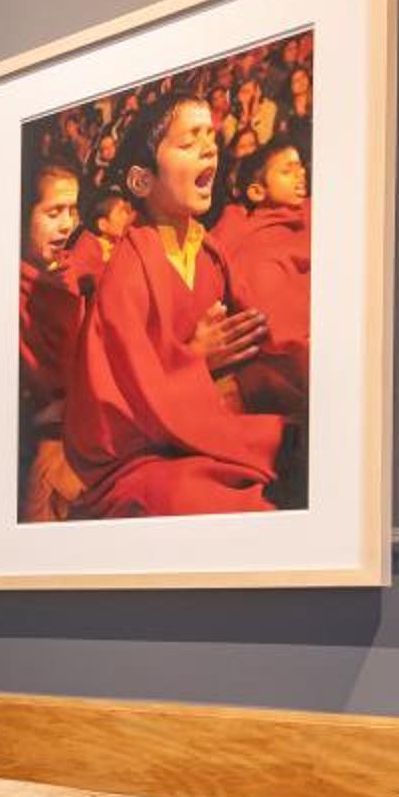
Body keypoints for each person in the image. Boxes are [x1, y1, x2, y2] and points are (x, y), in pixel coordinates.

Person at [62, 90, 280, 516]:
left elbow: (259, 341)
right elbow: (113, 399)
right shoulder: (129, 267)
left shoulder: (211, 253)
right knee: (193, 497)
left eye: (210, 138)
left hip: (207, 426)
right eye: (188, 142)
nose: (208, 149)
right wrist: (196, 360)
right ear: (142, 181)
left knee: (286, 439)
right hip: (140, 451)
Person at [209, 134, 310, 467]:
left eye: (301, 167)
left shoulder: (312, 215)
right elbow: (273, 321)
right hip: (278, 367)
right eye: (287, 170)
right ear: (256, 191)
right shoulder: (251, 238)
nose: (300, 175)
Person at [16, 160, 91, 521]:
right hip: (45, 447)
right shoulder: (13, 292)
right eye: (54, 212)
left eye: (73, 210)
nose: (67, 224)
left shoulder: (70, 276)